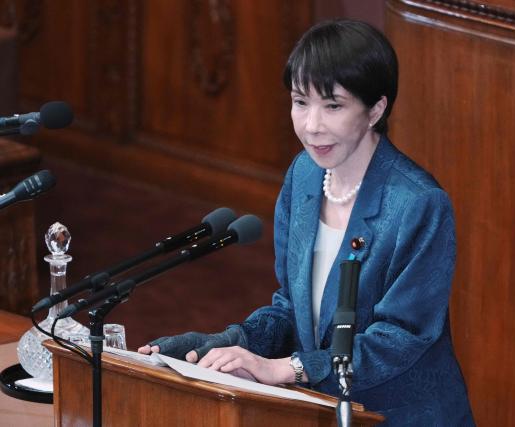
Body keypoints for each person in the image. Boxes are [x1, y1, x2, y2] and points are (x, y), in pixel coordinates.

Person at [139, 19, 474, 426]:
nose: (312, 125)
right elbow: (293, 309)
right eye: (301, 101)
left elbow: (400, 338)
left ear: (376, 110)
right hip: (322, 412)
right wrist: (224, 344)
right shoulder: (305, 176)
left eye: (333, 105)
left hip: (401, 416)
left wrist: (287, 369)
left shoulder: (418, 204)